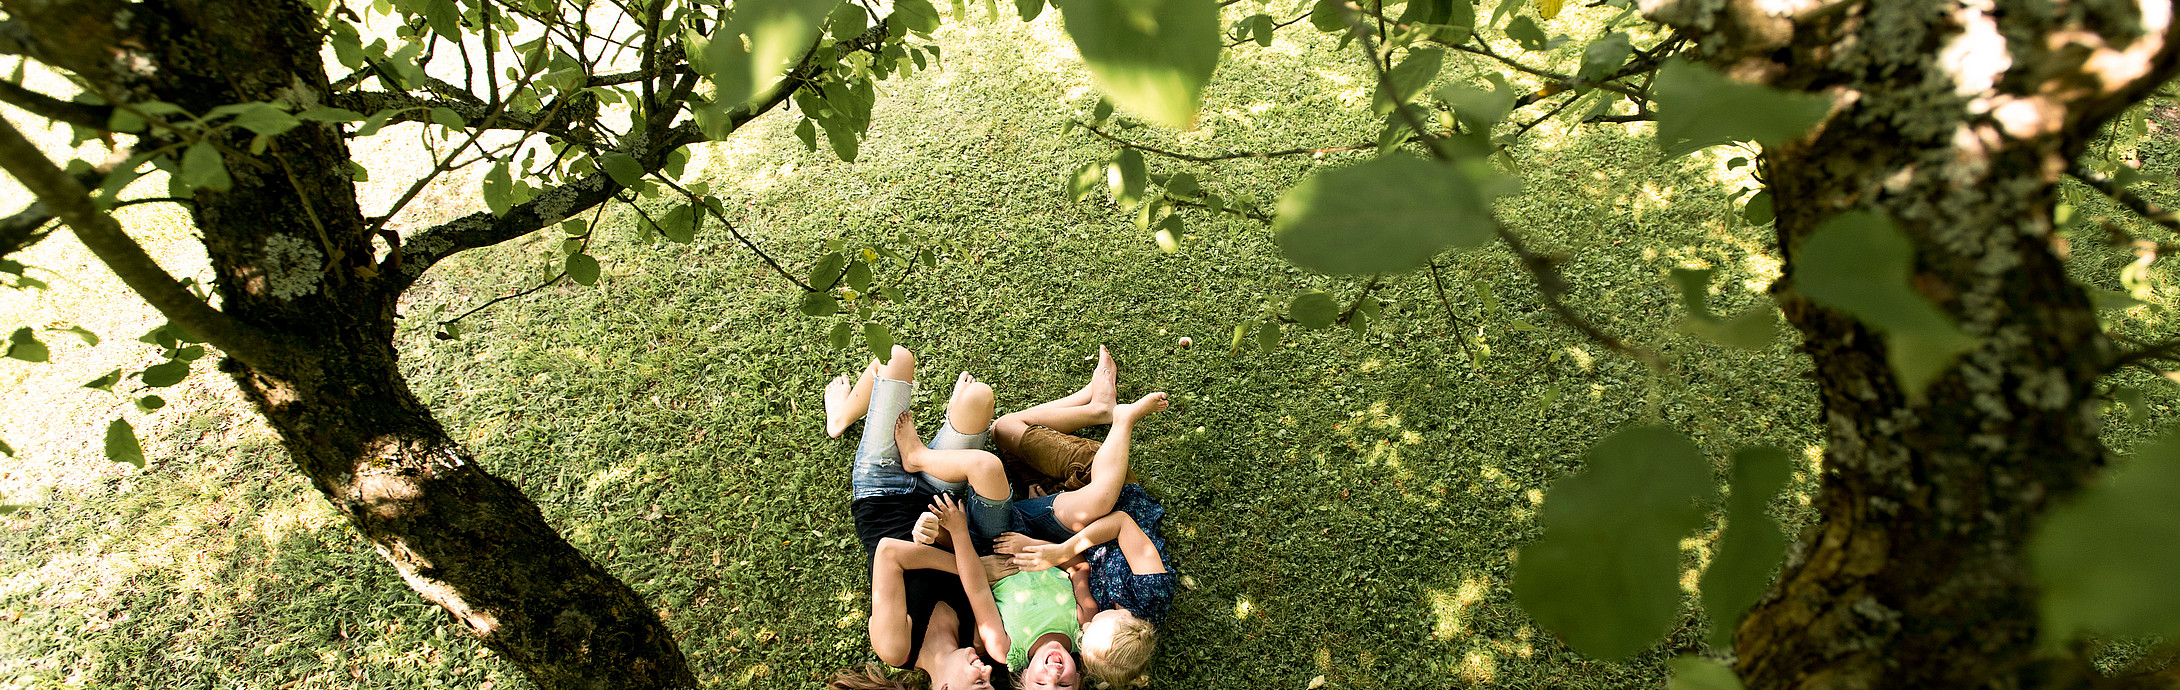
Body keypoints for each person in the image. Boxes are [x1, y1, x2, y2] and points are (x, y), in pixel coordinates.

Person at [824, 347, 1010, 690]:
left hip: (880, 492)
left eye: (978, 686)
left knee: (895, 357)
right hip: (938, 492)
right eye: (990, 684)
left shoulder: (896, 647)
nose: (985, 674)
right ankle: (937, 437)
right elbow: (960, 547)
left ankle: (838, 420)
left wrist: (972, 569)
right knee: (980, 398)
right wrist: (945, 537)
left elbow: (889, 553)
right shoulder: (979, 640)